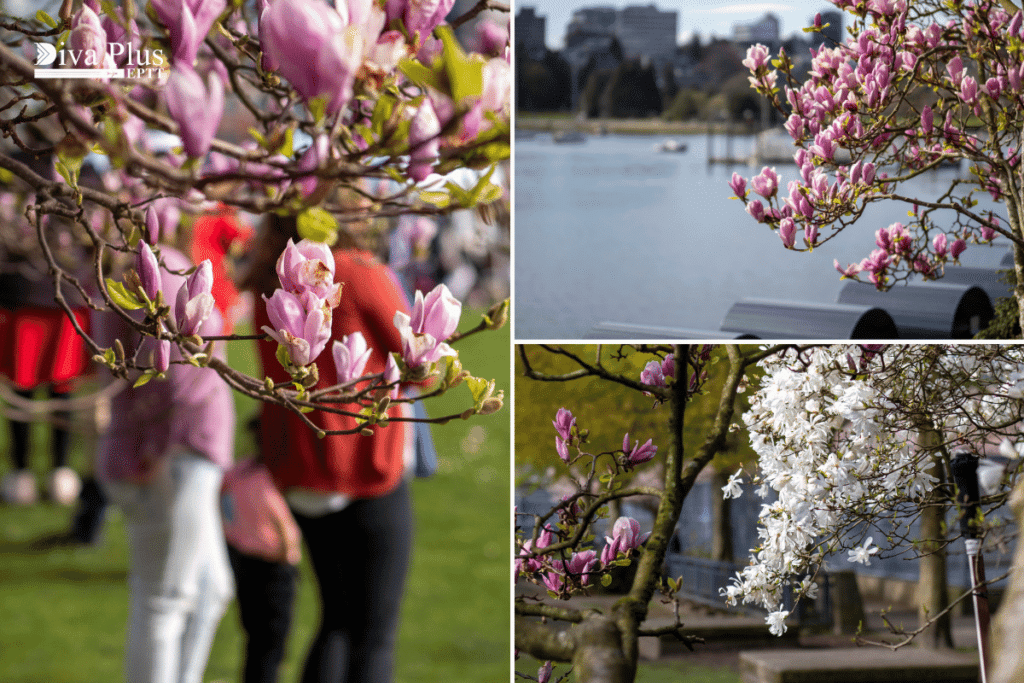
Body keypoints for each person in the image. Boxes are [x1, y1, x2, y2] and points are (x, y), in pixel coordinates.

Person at [240, 212, 415, 683]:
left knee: (336, 616)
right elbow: (416, 352)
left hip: (298, 465)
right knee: (373, 631)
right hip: (363, 460)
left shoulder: (270, 278)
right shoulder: (357, 271)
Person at [94, 244, 235, 683]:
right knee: (165, 601)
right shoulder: (153, 273)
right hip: (172, 458)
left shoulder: (156, 268)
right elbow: (168, 380)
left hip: (182, 455)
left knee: (211, 591)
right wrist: (155, 449)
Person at [221, 416, 302, 683]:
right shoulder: (268, 480)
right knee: (272, 640)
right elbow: (281, 522)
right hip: (273, 564)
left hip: (241, 557)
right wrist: (290, 554)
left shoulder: (239, 472)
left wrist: (229, 530)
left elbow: (221, 499)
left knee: (254, 635)